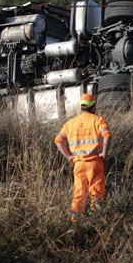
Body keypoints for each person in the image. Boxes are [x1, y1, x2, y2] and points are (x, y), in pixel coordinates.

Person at [54, 93, 112, 222]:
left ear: (81, 107)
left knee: (79, 194)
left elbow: (58, 140)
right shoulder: (98, 120)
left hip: (78, 165)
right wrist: (104, 153)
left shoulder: (70, 123)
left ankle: (75, 223)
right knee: (96, 194)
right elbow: (107, 135)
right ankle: (96, 222)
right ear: (93, 106)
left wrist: (68, 157)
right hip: (95, 163)